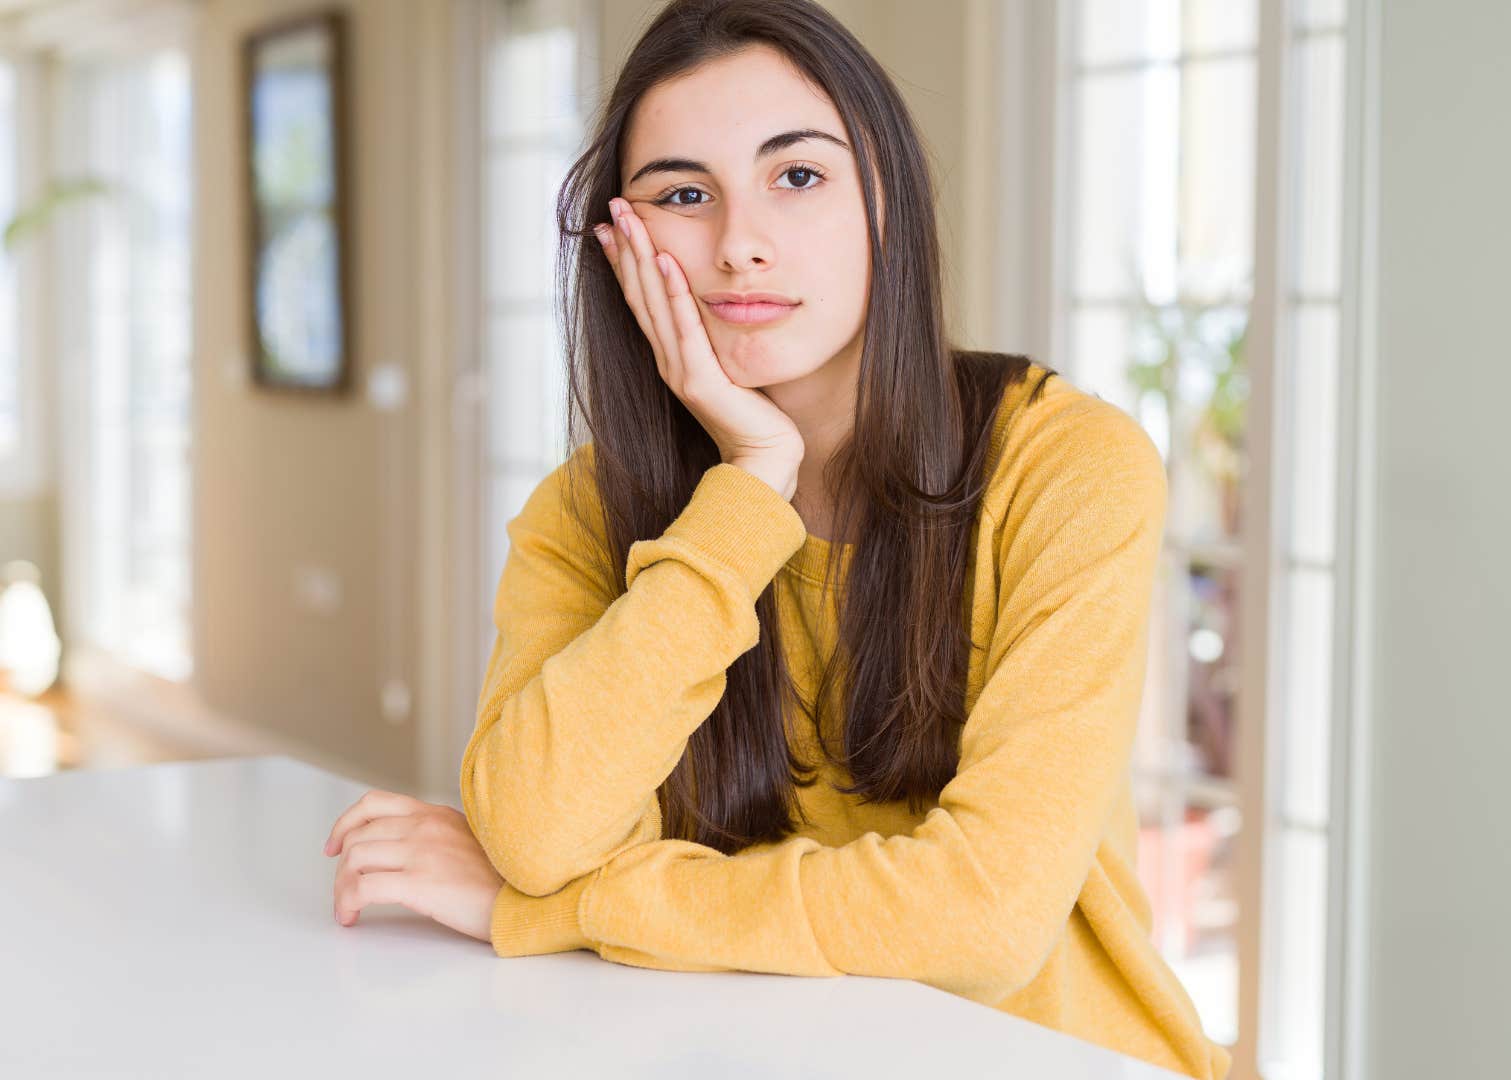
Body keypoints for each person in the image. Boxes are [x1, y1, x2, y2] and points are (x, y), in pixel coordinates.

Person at [323, 1, 1228, 1076]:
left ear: (883, 202)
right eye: (683, 194)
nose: (739, 244)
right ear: (623, 242)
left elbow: (983, 917)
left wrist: (567, 907)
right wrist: (751, 485)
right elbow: (534, 830)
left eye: (796, 177)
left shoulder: (1065, 467)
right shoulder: (586, 509)